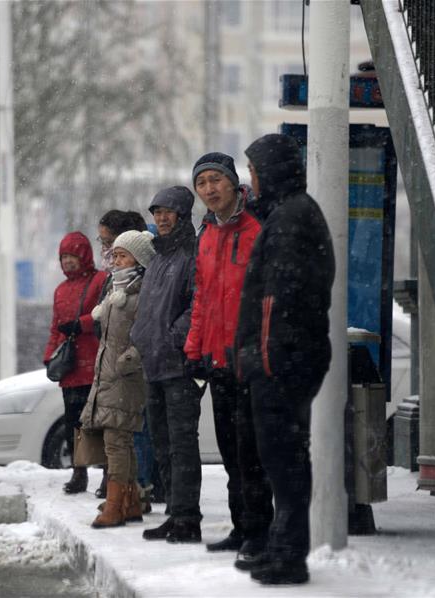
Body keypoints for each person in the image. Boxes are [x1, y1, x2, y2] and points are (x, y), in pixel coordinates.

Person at [235, 133, 335, 585]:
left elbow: (277, 297)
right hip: (288, 356)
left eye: (253, 170)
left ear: (270, 171)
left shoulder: (292, 218)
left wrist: (264, 358)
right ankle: (282, 546)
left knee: (286, 459)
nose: (250, 180)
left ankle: (290, 555)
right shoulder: (289, 213)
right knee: (281, 458)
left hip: (283, 360)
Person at [184, 152, 274, 564]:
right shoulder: (206, 234)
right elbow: (202, 298)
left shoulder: (256, 227)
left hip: (251, 362)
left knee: (252, 454)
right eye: (201, 184)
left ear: (233, 182)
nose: (208, 190)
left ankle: (260, 532)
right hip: (217, 362)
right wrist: (194, 348)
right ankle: (241, 528)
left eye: (215, 180)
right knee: (230, 453)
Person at [131, 186, 203, 544]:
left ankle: (188, 517)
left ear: (183, 214)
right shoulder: (158, 257)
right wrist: (142, 339)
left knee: (182, 445)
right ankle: (175, 512)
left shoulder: (191, 253)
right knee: (162, 443)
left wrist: (172, 339)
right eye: (157, 211)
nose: (161, 218)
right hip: (154, 366)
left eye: (168, 212)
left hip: (177, 367)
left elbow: (196, 305)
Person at [80, 229, 156, 528]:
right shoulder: (116, 290)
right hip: (109, 375)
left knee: (116, 442)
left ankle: (114, 506)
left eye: (123, 255)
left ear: (139, 260)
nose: (116, 260)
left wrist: (128, 360)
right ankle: (131, 502)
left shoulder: (143, 294)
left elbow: (149, 333)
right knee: (121, 441)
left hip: (126, 377)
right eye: (116, 255)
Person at [43, 232, 108, 495]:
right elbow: (55, 329)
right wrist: (50, 356)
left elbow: (103, 316)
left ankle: (107, 473)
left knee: (101, 423)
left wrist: (79, 325)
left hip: (94, 365)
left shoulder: (100, 281)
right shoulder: (60, 290)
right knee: (74, 426)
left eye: (72, 256)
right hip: (70, 370)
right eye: (63, 257)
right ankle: (78, 472)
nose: (68, 262)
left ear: (84, 256)